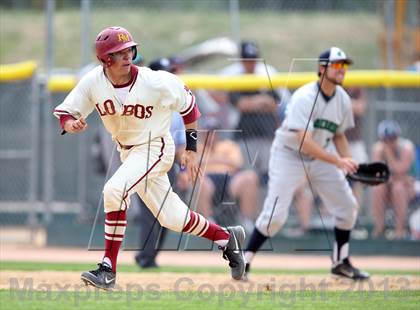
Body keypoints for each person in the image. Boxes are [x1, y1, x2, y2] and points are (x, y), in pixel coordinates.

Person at [53, 26, 246, 289]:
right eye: (119, 53)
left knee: (114, 190)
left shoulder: (154, 80)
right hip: (128, 151)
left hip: (156, 146)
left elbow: (189, 107)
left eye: (129, 50)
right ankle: (226, 238)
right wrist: (70, 123)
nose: (127, 56)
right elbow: (66, 112)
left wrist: (190, 149)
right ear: (105, 60)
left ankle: (108, 268)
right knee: (172, 218)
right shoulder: (93, 82)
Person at [243, 47, 370, 281]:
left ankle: (340, 263)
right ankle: (244, 261)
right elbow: (304, 141)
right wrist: (338, 161)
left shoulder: (342, 99)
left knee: (347, 208)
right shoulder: (305, 97)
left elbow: (339, 134)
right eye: (337, 65)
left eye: (344, 66)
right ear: (322, 69)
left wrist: (349, 160)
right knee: (275, 217)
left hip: (323, 157)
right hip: (290, 156)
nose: (342, 70)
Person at [133, 57, 188, 269]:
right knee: (149, 214)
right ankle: (147, 257)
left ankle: (149, 255)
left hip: (168, 165)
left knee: (167, 213)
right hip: (146, 162)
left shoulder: (175, 106)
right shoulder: (142, 104)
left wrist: (183, 169)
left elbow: (181, 144)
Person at [221, 40, 290, 182]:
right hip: (244, 136)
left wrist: (255, 102)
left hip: (267, 134)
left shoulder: (265, 75)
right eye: (247, 60)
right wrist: (261, 100)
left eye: (253, 59)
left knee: (271, 175)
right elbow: (241, 104)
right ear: (241, 60)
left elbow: (274, 103)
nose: (250, 63)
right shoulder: (236, 78)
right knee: (247, 175)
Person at [196, 118, 260, 231]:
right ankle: (208, 224)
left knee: (250, 177)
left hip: (230, 179)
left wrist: (209, 160)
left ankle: (246, 220)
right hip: (208, 179)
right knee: (201, 181)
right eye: (208, 132)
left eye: (214, 132)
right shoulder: (197, 148)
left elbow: (237, 164)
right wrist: (223, 159)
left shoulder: (229, 145)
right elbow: (194, 165)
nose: (211, 135)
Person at [371, 120, 416, 239]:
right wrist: (395, 177)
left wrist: (388, 154)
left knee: (398, 188)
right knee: (378, 188)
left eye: (393, 138)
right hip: (388, 186)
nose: (390, 142)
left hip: (410, 188)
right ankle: (379, 229)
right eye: (386, 139)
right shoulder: (378, 149)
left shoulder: (406, 147)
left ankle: (399, 230)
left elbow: (400, 169)